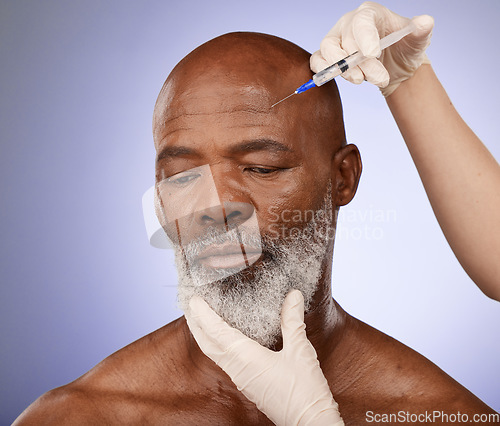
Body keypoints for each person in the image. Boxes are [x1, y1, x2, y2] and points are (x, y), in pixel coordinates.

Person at [14, 4, 498, 426]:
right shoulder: (78, 418)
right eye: (182, 176)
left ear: (343, 179)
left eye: (262, 168)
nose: (216, 209)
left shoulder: (439, 413)